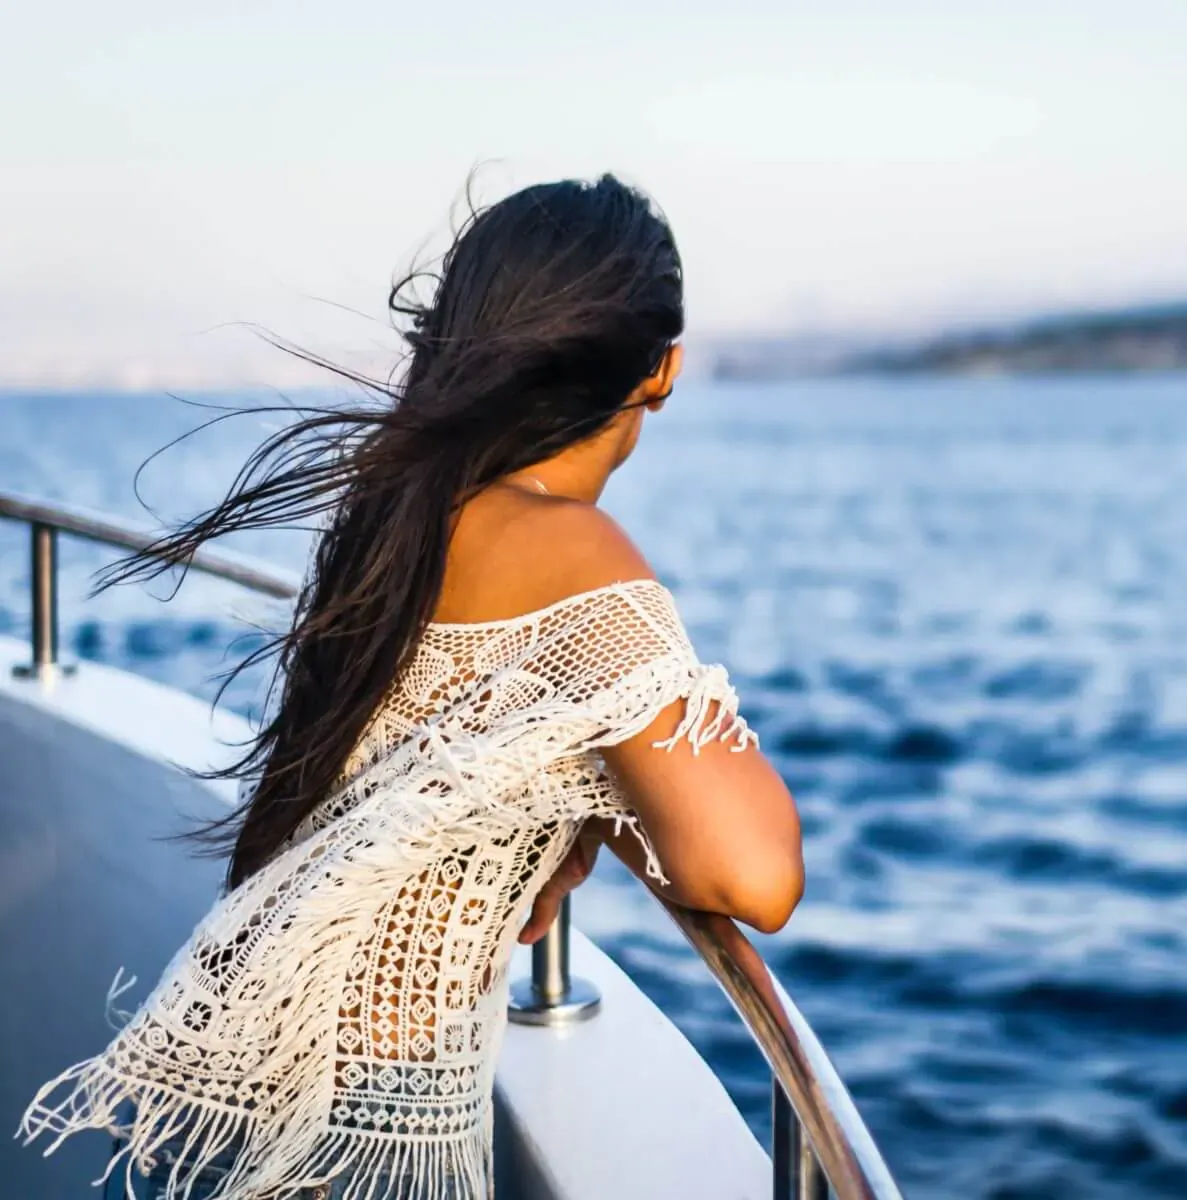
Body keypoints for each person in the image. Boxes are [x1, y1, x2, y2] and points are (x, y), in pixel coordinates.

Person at [17, 176, 804, 1199]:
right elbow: (752, 879)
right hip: (370, 1130)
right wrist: (613, 800)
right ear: (663, 372)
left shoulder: (401, 508)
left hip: (266, 1074)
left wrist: (583, 791)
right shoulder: (571, 549)